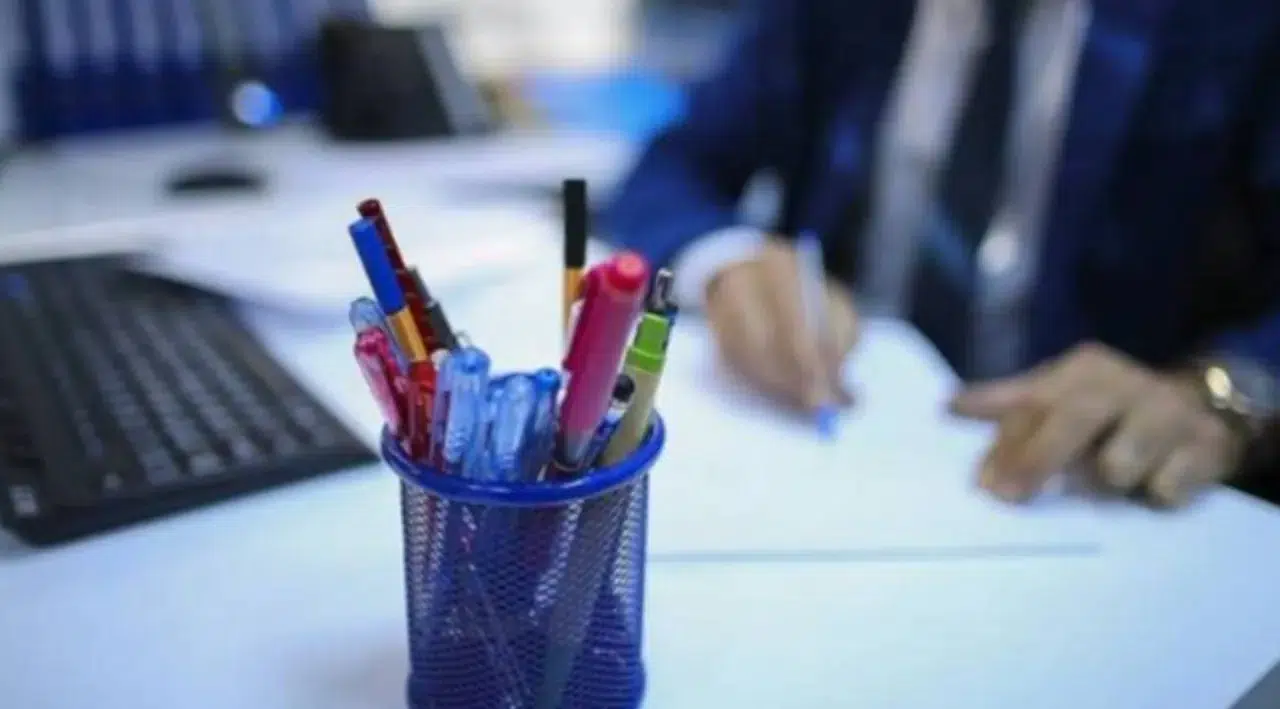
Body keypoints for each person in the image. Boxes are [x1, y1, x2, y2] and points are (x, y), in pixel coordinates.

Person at [606, 0, 1280, 506]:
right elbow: (675, 165)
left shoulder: (1237, 21)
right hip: (838, 430)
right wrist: (729, 261)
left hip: (1080, 483)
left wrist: (1218, 391)